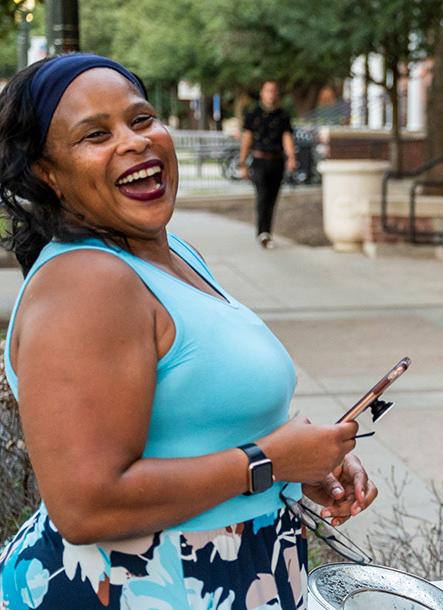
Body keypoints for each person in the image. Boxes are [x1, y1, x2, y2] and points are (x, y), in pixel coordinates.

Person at [0, 54, 376, 609]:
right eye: (96, 134)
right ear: (47, 173)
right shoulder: (88, 283)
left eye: (141, 118)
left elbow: (195, 424)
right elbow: (85, 506)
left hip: (234, 570)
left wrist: (298, 465)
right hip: (136, 585)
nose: (134, 141)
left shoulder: (174, 254)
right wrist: (267, 461)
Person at [240, 80, 297, 249]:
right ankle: (262, 232)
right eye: (268, 90)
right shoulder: (253, 114)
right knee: (262, 195)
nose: (271, 94)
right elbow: (247, 139)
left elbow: (287, 137)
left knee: (272, 198)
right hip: (259, 160)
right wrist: (242, 163)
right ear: (262, 93)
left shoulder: (283, 115)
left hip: (277, 160)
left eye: (274, 91)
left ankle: (267, 232)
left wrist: (291, 157)